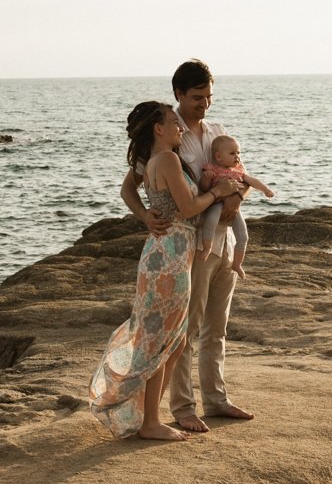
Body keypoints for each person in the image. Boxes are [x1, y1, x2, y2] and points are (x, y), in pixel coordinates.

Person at [91, 101, 240, 441]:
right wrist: (218, 191)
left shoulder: (161, 161)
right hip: (170, 255)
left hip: (170, 254)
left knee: (170, 340)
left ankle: (148, 417)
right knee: (161, 340)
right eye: (173, 122)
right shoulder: (168, 160)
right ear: (158, 129)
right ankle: (150, 423)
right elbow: (188, 208)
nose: (179, 128)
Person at [120, 59, 255, 435]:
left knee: (217, 326)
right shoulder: (168, 141)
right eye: (198, 97)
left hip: (223, 241)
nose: (205, 104)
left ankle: (217, 398)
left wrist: (237, 196)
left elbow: (238, 175)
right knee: (185, 329)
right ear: (179, 94)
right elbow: (131, 186)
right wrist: (145, 217)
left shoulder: (216, 131)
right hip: (190, 245)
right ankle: (183, 407)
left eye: (209, 96)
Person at [197, 134, 274, 278]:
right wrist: (206, 178)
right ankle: (207, 247)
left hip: (234, 207)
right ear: (219, 157)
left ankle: (237, 264)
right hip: (217, 204)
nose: (237, 156)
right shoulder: (212, 169)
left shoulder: (239, 171)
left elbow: (252, 181)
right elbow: (204, 188)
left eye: (238, 153)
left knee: (243, 235)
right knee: (211, 222)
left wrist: (265, 190)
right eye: (232, 153)